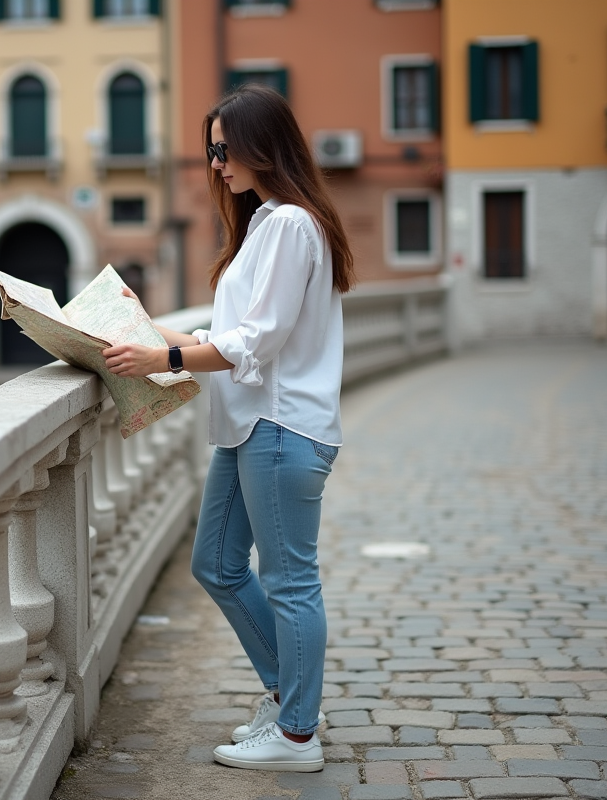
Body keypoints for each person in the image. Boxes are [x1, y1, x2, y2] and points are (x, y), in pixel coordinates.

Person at [103, 83, 355, 773]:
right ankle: (290, 697)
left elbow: (259, 341)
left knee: (289, 581)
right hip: (252, 429)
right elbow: (238, 332)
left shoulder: (291, 225)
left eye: (223, 149)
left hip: (280, 428)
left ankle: (298, 734)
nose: (215, 164)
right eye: (210, 151)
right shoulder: (268, 225)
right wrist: (142, 322)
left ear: (260, 146)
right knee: (215, 563)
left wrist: (166, 356)